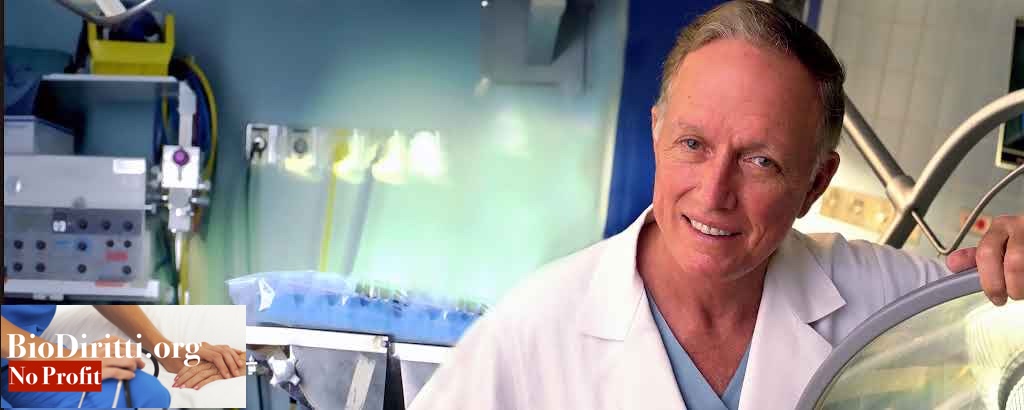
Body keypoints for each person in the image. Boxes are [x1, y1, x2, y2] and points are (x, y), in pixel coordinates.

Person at [409, 1, 1023, 409]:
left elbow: (1001, 339)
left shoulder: (884, 300)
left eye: (761, 161)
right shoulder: (530, 333)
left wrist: (1016, 263)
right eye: (693, 144)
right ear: (657, 134)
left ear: (816, 183)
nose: (713, 192)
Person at [0, 304, 245, 408]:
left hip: (14, 368)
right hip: (26, 355)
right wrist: (64, 360)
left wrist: (164, 349)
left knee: (143, 395)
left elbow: (91, 271)